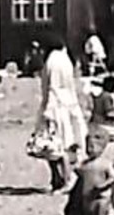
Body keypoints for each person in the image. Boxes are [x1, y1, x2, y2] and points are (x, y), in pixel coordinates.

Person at [35, 33, 88, 192]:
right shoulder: (65, 59)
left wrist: (47, 110)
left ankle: (64, 178)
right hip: (68, 104)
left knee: (53, 146)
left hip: (55, 106)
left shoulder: (52, 61)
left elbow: (52, 87)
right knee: (63, 144)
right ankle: (60, 178)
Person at [64, 124, 114, 215]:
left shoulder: (105, 163)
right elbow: (78, 172)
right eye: (88, 147)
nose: (90, 150)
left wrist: (103, 185)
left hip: (101, 196)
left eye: (93, 147)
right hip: (87, 195)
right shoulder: (86, 163)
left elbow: (112, 176)